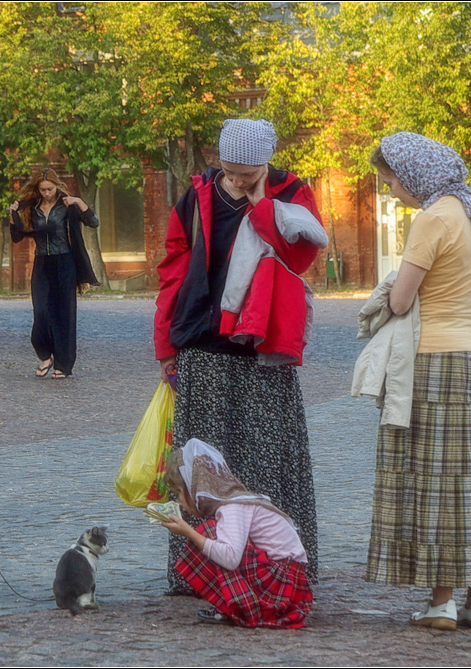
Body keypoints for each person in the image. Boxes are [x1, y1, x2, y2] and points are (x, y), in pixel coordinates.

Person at [154, 118, 323, 593]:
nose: (238, 179)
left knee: (266, 458)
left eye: (248, 171)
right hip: (203, 344)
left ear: (265, 162)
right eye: (230, 170)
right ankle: (201, 573)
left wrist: (262, 204)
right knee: (203, 465)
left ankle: (278, 568)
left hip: (264, 347)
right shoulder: (196, 196)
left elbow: (300, 257)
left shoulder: (293, 195)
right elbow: (172, 271)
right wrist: (166, 345)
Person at [366, 132, 471, 630]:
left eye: (391, 181)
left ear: (414, 175)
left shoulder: (432, 219)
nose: (391, 192)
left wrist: (383, 294)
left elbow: (404, 299)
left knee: (433, 480)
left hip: (431, 360)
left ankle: (441, 602)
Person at [161, 439, 312, 628]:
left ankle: (240, 607)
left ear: (195, 489)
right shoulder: (237, 501)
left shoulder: (232, 506)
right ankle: (238, 605)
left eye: (179, 493)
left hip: (283, 586)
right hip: (289, 582)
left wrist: (189, 533)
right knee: (212, 534)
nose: (180, 503)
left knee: (207, 532)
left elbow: (230, 557)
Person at [9, 168, 100, 379]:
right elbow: (16, 238)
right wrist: (12, 215)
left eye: (49, 189)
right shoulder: (33, 207)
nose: (46, 193)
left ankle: (63, 364)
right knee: (40, 312)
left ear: (56, 186)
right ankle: (45, 355)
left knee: (64, 315)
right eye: (42, 190)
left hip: (64, 261)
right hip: (42, 263)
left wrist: (78, 201)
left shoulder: (66, 205)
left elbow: (93, 222)